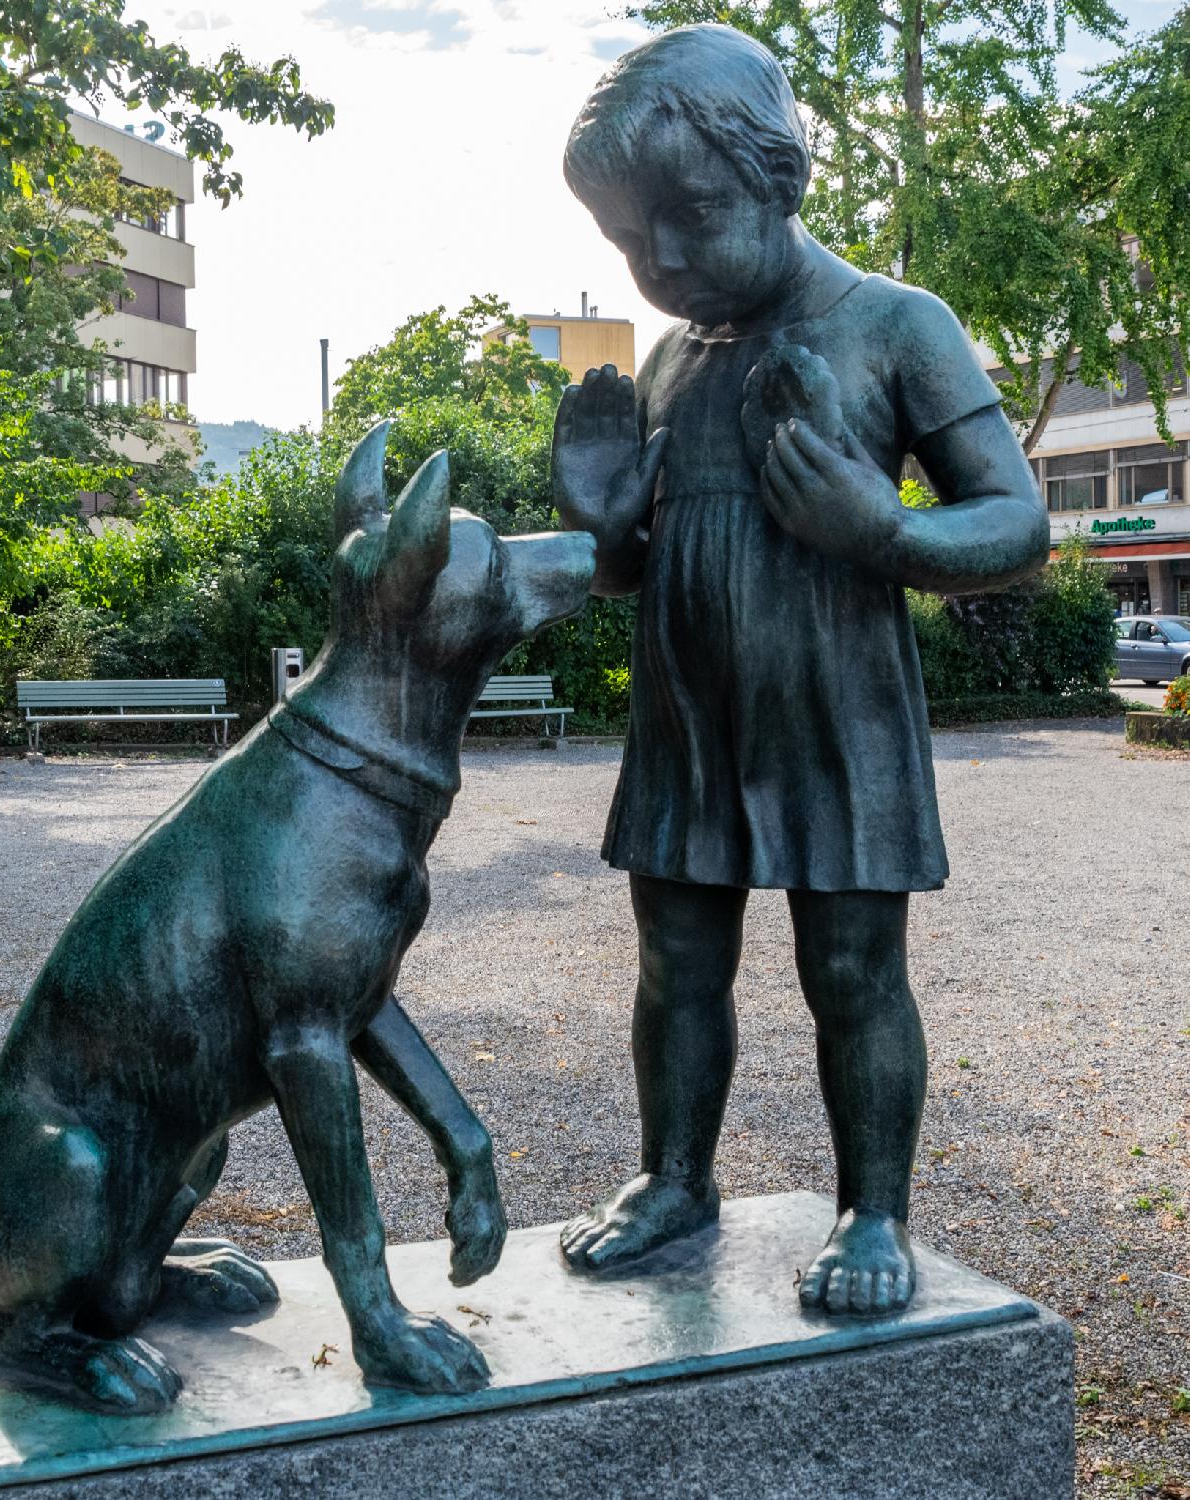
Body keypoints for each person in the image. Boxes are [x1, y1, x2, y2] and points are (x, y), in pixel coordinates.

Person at [551, 23, 1048, 1314]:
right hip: (690, 707)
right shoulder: (667, 361)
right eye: (625, 237)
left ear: (779, 179)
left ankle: (873, 1211)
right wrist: (609, 527)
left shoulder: (894, 324)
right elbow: (635, 567)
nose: (659, 259)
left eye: (692, 215)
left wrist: (885, 533)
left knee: (852, 970)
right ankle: (675, 1180)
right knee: (675, 956)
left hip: (837, 704)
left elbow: (1014, 520)